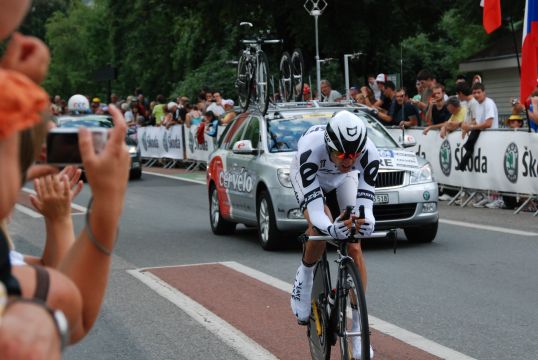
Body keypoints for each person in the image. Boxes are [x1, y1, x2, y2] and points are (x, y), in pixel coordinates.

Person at [289, 110, 378, 359]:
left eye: (354, 155)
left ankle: (360, 332)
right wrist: (330, 229)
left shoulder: (369, 153)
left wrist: (366, 221)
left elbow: (366, 208)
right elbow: (317, 211)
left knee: (354, 242)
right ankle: (304, 279)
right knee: (319, 226)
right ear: (329, 145)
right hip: (310, 175)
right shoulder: (310, 149)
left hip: (342, 179)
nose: (348, 159)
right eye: (341, 154)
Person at [457, 82, 498, 171]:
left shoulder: (488, 103)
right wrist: (467, 127)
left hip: (492, 137)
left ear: (484, 92)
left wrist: (470, 127)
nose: (476, 95)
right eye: (474, 93)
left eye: (478, 92)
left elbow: (488, 123)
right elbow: (477, 121)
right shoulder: (478, 104)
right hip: (483, 136)